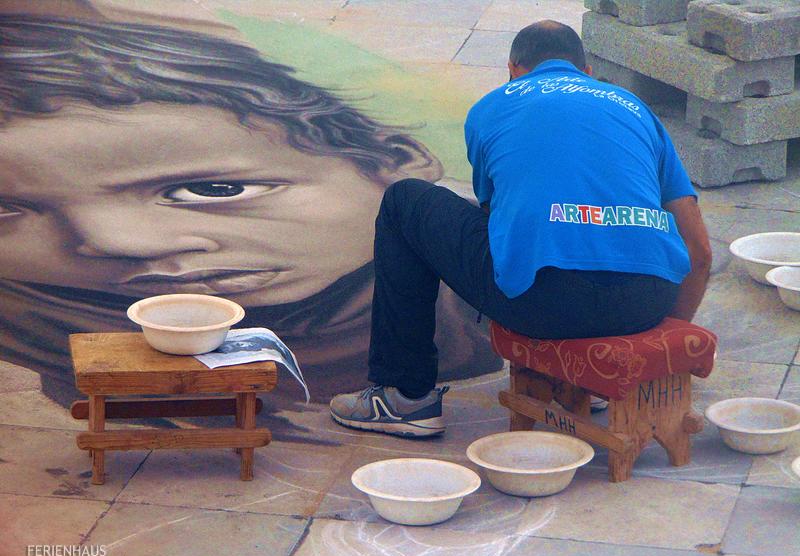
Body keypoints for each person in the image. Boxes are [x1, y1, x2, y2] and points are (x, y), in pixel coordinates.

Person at [0, 15, 502, 412]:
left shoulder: (488, 283)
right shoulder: (30, 325)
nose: (117, 242)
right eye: (10, 209)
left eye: (214, 188)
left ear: (393, 160)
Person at [330, 20, 712, 438]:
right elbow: (700, 252)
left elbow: (501, 227)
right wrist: (656, 346)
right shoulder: (635, 109)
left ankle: (405, 397)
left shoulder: (492, 107)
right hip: (647, 301)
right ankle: (591, 379)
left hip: (545, 303)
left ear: (513, 69)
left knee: (405, 202)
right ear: (586, 73)